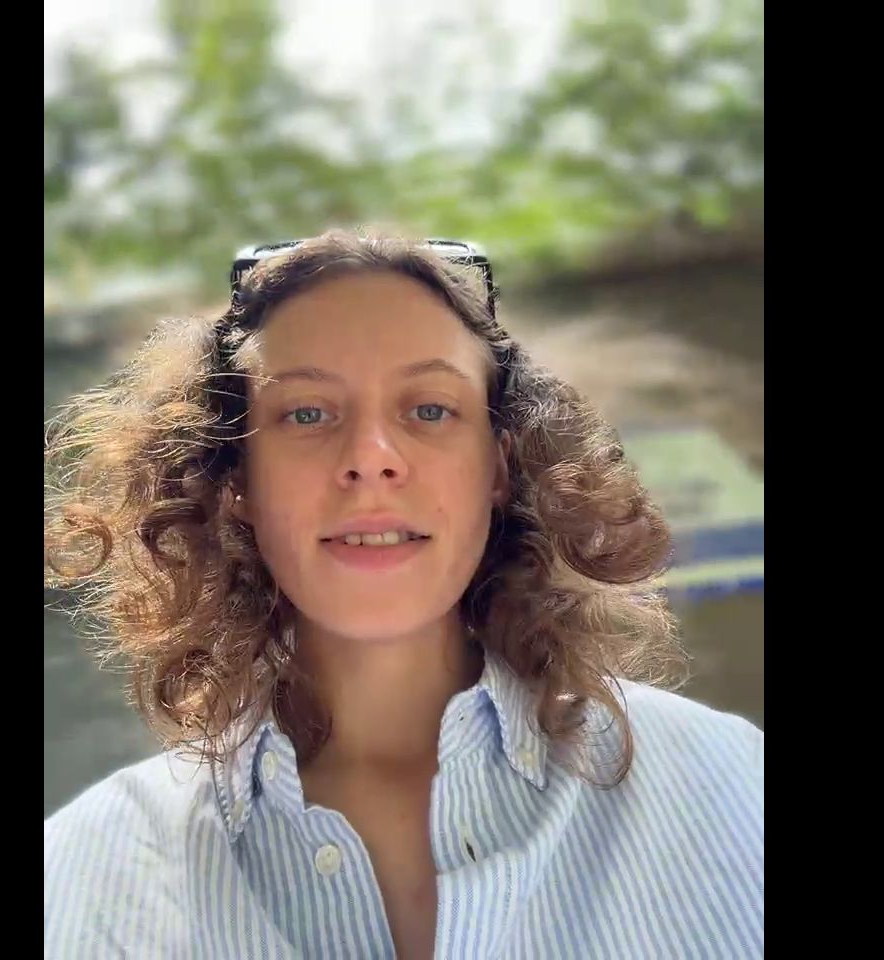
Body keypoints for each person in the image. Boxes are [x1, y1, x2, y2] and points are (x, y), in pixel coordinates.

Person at [44, 229, 763, 959]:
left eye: (429, 410)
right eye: (307, 413)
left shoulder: (728, 783)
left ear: (498, 468)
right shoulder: (86, 876)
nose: (370, 459)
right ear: (237, 484)